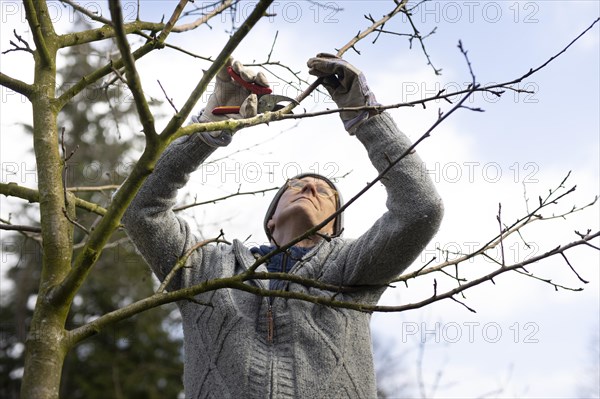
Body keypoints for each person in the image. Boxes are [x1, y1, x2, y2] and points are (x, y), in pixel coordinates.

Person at [122, 54, 443, 398]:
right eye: (297, 185)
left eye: (324, 193)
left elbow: (420, 208)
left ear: (334, 227)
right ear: (271, 220)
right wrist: (211, 126)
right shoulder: (207, 268)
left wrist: (367, 118)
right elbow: (139, 209)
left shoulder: (352, 268)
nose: (309, 188)